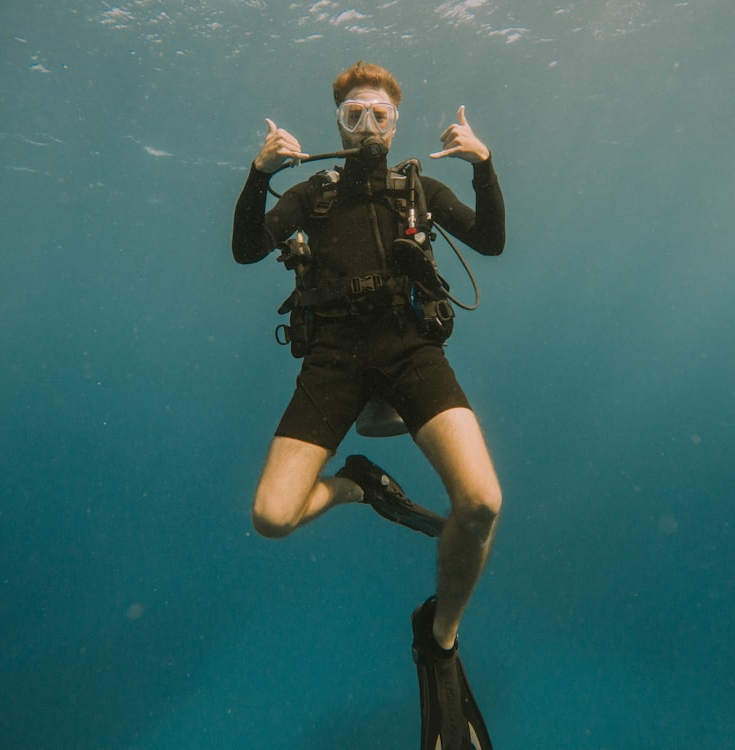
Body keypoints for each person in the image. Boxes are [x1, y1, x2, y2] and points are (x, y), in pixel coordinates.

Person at [232, 61, 505, 749]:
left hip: (413, 352)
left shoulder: (419, 191)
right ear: (338, 123)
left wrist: (483, 163)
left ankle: (439, 638)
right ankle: (357, 486)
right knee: (270, 517)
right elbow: (244, 249)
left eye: (380, 114)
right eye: (354, 114)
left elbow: (491, 240)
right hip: (333, 363)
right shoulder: (311, 198)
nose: (368, 127)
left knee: (481, 503)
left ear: (397, 121)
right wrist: (260, 175)